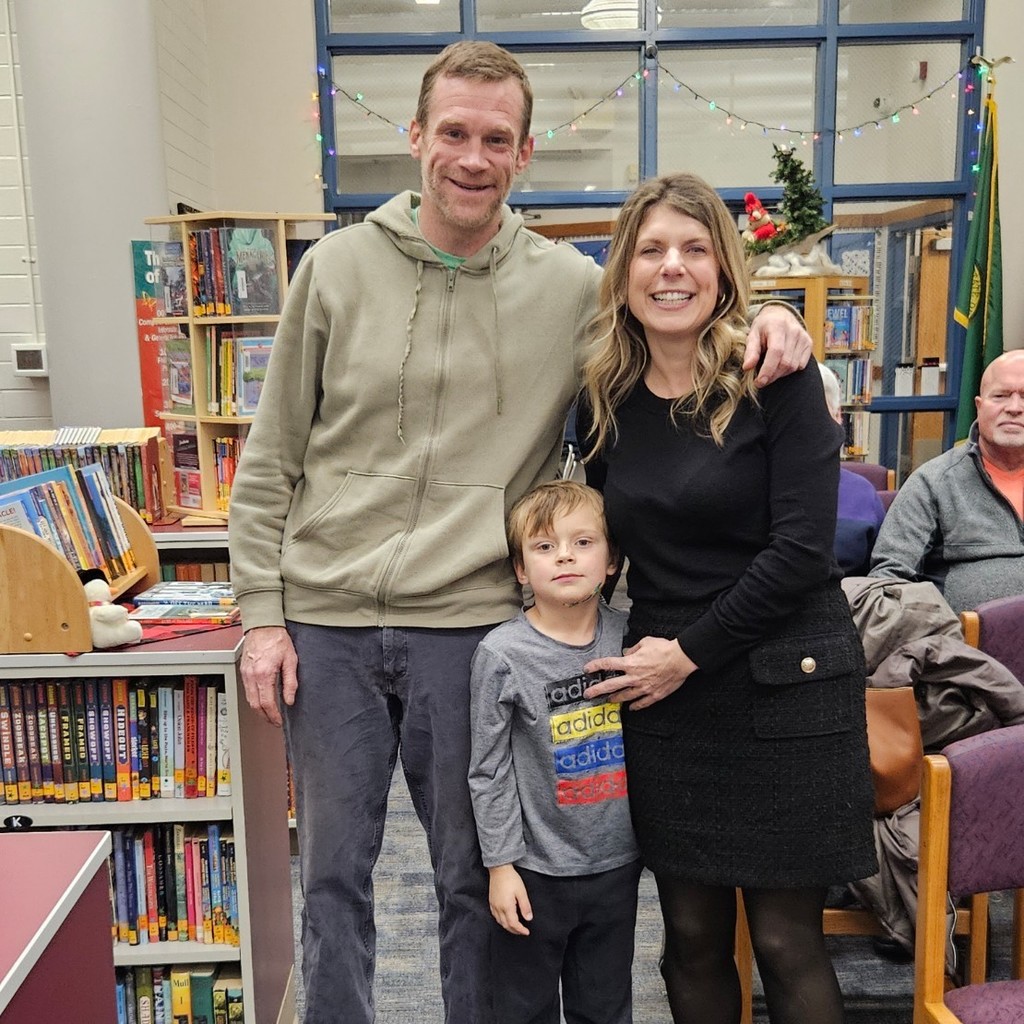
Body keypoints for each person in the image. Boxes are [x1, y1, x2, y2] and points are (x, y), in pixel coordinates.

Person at [227, 41, 811, 1024]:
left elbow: (671, 317)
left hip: (468, 625)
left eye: (495, 138)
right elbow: (272, 452)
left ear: (523, 152)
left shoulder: (566, 288)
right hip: (325, 620)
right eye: (452, 132)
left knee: (475, 877)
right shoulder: (332, 269)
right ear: (415, 138)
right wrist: (259, 615)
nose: (472, 156)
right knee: (331, 878)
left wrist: (780, 322)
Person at [577, 172, 877, 1024]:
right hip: (669, 693)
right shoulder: (604, 401)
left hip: (788, 677)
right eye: (651, 250)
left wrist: (689, 655)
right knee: (690, 936)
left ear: (724, 269)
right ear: (624, 272)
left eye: (695, 249)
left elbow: (801, 552)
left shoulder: (776, 376)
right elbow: (602, 537)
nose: (672, 269)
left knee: (787, 941)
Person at [468, 479, 639, 1024]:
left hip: (617, 865)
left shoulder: (633, 640)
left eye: (583, 542)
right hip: (533, 871)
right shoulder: (501, 653)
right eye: (544, 547)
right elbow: (487, 769)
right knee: (524, 1009)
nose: (564, 555)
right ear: (521, 569)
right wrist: (499, 866)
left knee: (605, 1007)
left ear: (612, 559)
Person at [869, 348, 1024, 613]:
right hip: (965, 648)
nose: (1014, 408)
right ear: (979, 406)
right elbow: (887, 583)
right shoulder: (933, 482)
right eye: (1000, 396)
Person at [817, 361, 887, 576]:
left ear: (838, 418)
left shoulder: (863, 494)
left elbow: (884, 574)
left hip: (854, 604)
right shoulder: (739, 490)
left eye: (815, 411)